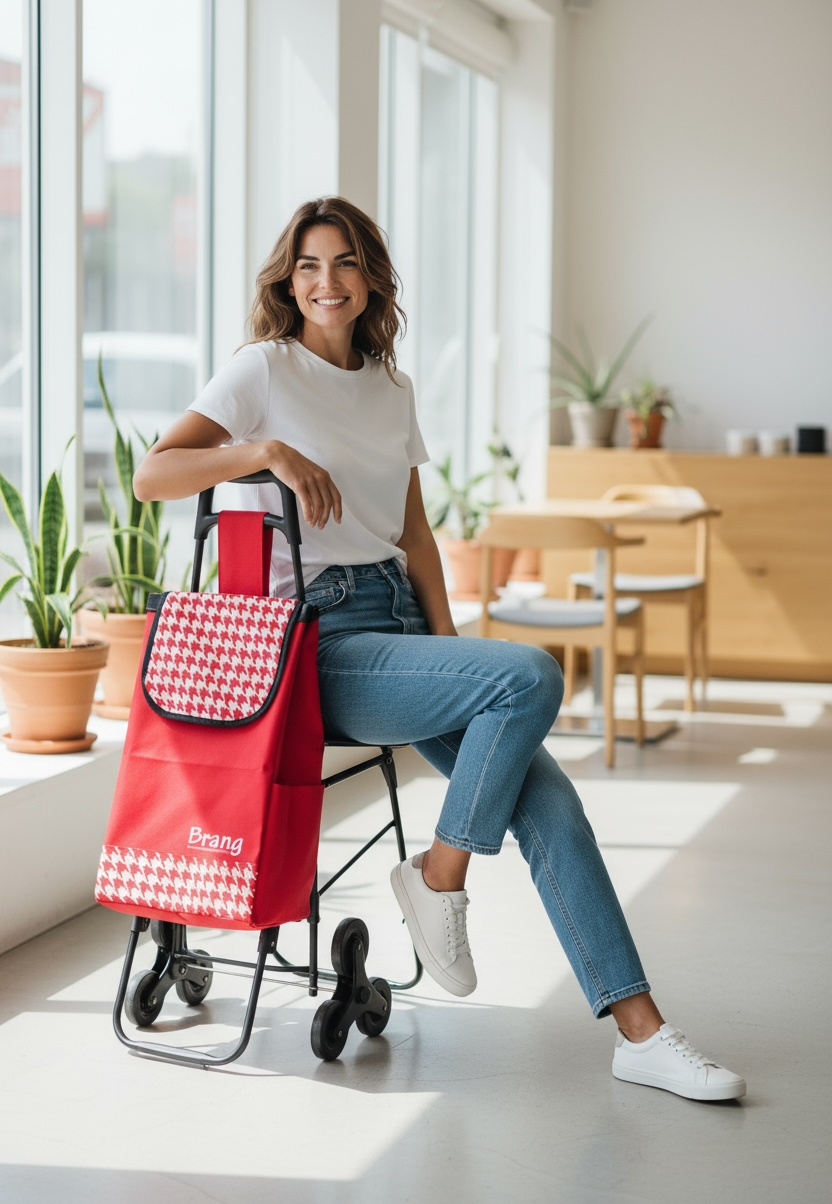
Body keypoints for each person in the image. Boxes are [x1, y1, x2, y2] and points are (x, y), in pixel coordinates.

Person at [134, 196, 745, 1103]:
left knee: (553, 805)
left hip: (403, 634)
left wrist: (452, 656)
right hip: (319, 644)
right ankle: (439, 879)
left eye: (343, 263)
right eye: (307, 265)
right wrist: (264, 450)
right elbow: (154, 474)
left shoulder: (391, 384)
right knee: (533, 670)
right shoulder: (261, 369)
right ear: (286, 278)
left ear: (371, 277)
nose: (325, 282)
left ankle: (639, 1031)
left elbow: (413, 532)